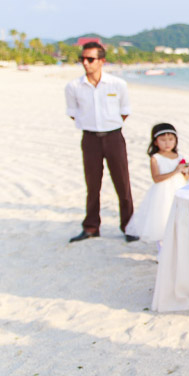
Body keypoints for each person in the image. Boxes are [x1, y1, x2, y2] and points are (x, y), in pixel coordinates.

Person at [65, 41, 138, 243]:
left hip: (114, 137)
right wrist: (92, 125)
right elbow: (73, 113)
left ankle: (128, 226)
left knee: (122, 183)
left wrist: (108, 125)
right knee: (92, 184)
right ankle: (91, 227)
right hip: (90, 139)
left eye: (90, 59)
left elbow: (125, 111)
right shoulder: (73, 87)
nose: (86, 63)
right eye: (83, 59)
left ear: (102, 61)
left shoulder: (117, 84)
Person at [124, 123, 189, 243]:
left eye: (171, 139)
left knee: (179, 219)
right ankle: (162, 249)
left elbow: (184, 178)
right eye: (163, 140)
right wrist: (175, 170)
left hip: (179, 190)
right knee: (162, 219)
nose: (167, 143)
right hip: (162, 193)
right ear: (155, 142)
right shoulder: (156, 158)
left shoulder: (179, 156)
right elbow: (156, 178)